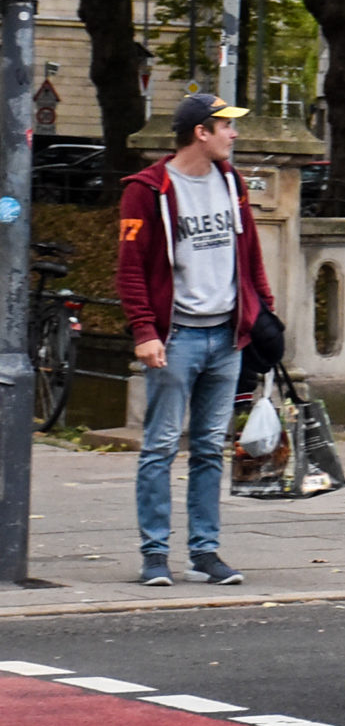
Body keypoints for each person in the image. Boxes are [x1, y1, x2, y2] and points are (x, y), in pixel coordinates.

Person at [115, 94, 272, 588]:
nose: (235, 133)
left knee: (209, 447)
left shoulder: (231, 182)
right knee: (160, 445)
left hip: (227, 337)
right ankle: (155, 554)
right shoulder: (148, 191)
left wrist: (263, 312)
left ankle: (205, 551)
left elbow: (250, 251)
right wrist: (145, 330)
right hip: (176, 337)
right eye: (226, 126)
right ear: (200, 133)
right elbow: (130, 270)